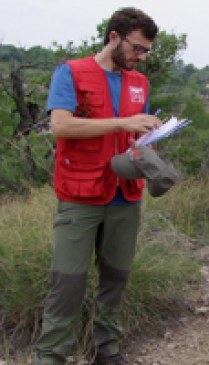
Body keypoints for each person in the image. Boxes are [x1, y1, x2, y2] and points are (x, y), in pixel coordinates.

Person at [34, 7, 160, 365]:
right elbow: (61, 127)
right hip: (80, 194)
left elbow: (136, 133)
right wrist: (123, 123)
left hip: (126, 193)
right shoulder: (71, 73)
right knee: (68, 282)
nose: (142, 58)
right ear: (114, 37)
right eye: (138, 49)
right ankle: (51, 355)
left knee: (116, 277)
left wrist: (149, 135)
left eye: (147, 51)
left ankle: (106, 350)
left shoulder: (140, 83)